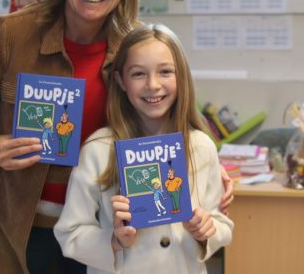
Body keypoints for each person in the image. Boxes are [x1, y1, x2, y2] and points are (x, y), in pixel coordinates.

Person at [0, 0, 233, 273]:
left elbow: (168, 110)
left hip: (107, 228)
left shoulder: (137, 45)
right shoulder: (13, 34)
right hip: (23, 226)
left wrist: (207, 167)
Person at [54, 24, 234, 274]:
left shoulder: (201, 146)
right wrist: (114, 240)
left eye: (165, 72)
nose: (153, 85)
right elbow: (70, 233)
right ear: (121, 81)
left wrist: (206, 231)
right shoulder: (98, 149)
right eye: (139, 74)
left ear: (181, 77)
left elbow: (222, 224)